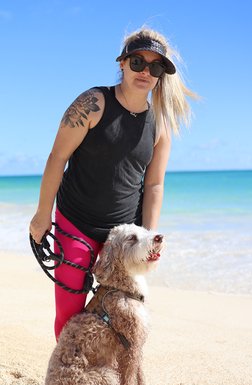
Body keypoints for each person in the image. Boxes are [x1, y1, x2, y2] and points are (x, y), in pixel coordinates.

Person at [29, 27, 197, 340]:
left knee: (121, 315)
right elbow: (57, 158)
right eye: (138, 62)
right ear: (122, 63)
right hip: (75, 224)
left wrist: (148, 237)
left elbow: (155, 185)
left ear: (161, 75)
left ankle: (110, 380)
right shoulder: (93, 103)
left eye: (155, 66)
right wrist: (42, 215)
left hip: (123, 238)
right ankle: (65, 378)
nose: (146, 71)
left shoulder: (160, 124)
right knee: (70, 313)